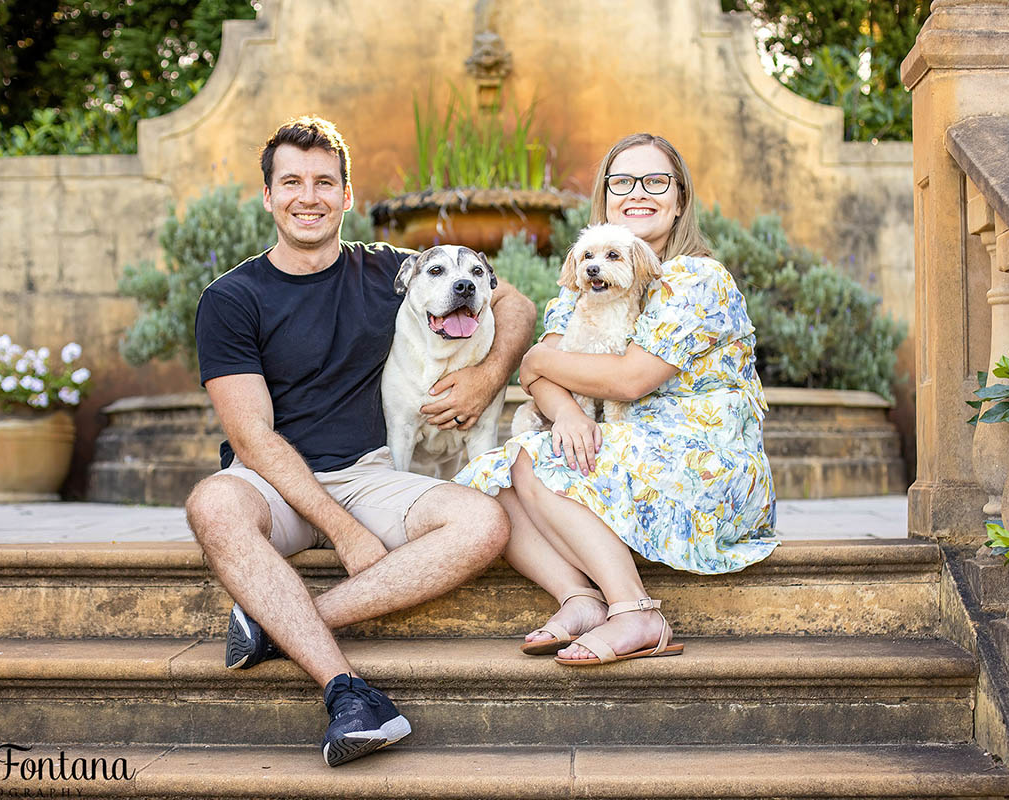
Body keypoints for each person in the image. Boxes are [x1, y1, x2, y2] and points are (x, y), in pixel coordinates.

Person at [185, 116, 535, 766]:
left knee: (484, 521)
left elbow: (514, 304)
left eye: (324, 181)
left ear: (348, 195)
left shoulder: (394, 271)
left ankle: (271, 620)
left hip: (374, 472)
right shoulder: (231, 298)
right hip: (275, 482)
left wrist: (488, 377)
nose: (308, 196)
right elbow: (253, 438)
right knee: (213, 504)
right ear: (268, 196)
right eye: (291, 181)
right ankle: (346, 691)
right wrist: (345, 532)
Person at [455, 132, 777, 666]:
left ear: (679, 201)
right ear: (604, 197)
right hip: (622, 443)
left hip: (704, 461)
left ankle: (635, 612)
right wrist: (563, 409)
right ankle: (579, 599)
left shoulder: (697, 279)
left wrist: (537, 363)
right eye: (622, 181)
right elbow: (541, 376)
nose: (638, 193)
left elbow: (627, 379)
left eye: (656, 181)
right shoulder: (583, 286)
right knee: (498, 477)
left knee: (535, 462)